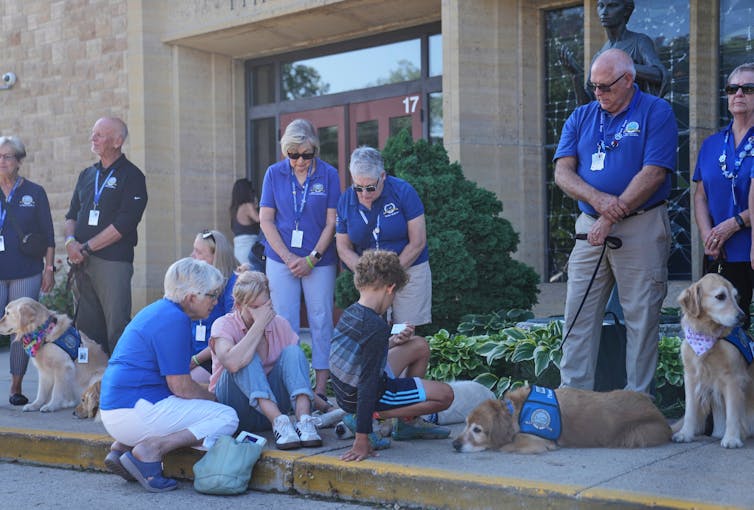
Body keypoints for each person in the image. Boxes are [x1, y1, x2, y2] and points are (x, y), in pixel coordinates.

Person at [553, 48, 678, 395]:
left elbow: (653, 173)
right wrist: (599, 202)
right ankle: (573, 398)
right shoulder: (581, 116)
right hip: (589, 226)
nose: (598, 94)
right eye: (593, 86)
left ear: (628, 80)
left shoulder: (656, 111)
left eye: (606, 87)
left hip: (642, 224)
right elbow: (563, 172)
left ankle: (638, 404)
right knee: (577, 314)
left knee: (641, 319)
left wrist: (612, 213)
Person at [99, 257, 239, 493]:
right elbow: (181, 387)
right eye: (211, 295)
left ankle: (121, 448)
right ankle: (151, 450)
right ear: (191, 297)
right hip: (135, 410)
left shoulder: (157, 310)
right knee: (227, 417)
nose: (215, 301)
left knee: (197, 409)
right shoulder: (175, 319)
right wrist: (213, 398)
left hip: (117, 411)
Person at [330, 250, 453, 462]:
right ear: (390, 288)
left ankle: (407, 424)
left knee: (419, 345)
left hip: (348, 390)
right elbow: (368, 384)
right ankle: (371, 417)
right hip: (365, 395)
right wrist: (361, 439)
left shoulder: (352, 311)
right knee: (445, 395)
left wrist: (393, 342)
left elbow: (363, 356)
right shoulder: (374, 326)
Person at [259, 118, 340, 410]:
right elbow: (266, 220)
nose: (300, 161)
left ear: (315, 150)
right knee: (283, 321)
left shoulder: (329, 174)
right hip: (282, 258)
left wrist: (312, 258)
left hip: (320, 259)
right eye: (293, 155)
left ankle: (320, 388)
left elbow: (332, 221)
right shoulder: (274, 173)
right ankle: (292, 384)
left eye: (306, 155)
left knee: (321, 319)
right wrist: (290, 258)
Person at [335, 146, 432, 385]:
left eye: (370, 187)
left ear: (383, 177)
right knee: (374, 335)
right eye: (358, 187)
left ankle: (407, 402)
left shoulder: (403, 192)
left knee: (405, 334)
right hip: (372, 279)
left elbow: (418, 241)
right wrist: (368, 274)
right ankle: (380, 391)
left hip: (408, 269)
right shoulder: (346, 201)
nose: (364, 194)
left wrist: (390, 274)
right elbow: (343, 248)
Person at [209, 269, 322, 450]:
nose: (262, 313)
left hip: (274, 408)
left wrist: (325, 406)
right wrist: (259, 325)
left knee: (293, 352)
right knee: (244, 357)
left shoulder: (280, 324)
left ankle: (304, 422)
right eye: (254, 308)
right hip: (236, 409)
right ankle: (279, 422)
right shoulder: (223, 324)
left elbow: (295, 376)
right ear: (238, 305)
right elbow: (231, 362)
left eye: (265, 306)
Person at [64, 117, 148, 355]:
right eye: (93, 133)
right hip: (82, 261)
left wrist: (86, 247)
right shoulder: (86, 175)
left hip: (112, 263)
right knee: (85, 331)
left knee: (117, 327)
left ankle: (120, 383)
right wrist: (71, 243)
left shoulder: (132, 177)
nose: (93, 138)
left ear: (118, 141)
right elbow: (71, 215)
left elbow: (125, 224)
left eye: (100, 134)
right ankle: (88, 386)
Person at [697, 63, 754, 330]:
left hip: (749, 247)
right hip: (720, 255)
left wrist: (735, 223)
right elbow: (700, 196)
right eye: (733, 88)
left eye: (748, 88)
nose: (738, 94)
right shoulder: (710, 144)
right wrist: (709, 236)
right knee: (723, 337)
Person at [0, 136, 55, 406]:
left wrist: (49, 269)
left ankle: (16, 387)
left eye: (8, 156)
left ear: (19, 161)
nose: (2, 161)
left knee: (21, 329)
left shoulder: (34, 192)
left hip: (26, 271)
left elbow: (48, 235)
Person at [560, 0, 669, 104]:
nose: (604, 12)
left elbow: (660, 75)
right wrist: (576, 75)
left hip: (635, 117)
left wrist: (624, 67)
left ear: (626, 10)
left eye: (612, 6)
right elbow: (587, 104)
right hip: (609, 122)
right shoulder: (599, 56)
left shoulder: (639, 42)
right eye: (601, 6)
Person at [189, 229, 239, 384]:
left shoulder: (233, 287)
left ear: (215, 256)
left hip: (216, 359)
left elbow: (232, 335)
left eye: (198, 252)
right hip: (194, 355)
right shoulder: (199, 281)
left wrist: (195, 360)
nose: (192, 256)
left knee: (185, 385)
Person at [230, 178, 261, 266]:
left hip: (238, 250)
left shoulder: (234, 209)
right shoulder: (247, 206)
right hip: (249, 248)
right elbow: (261, 220)